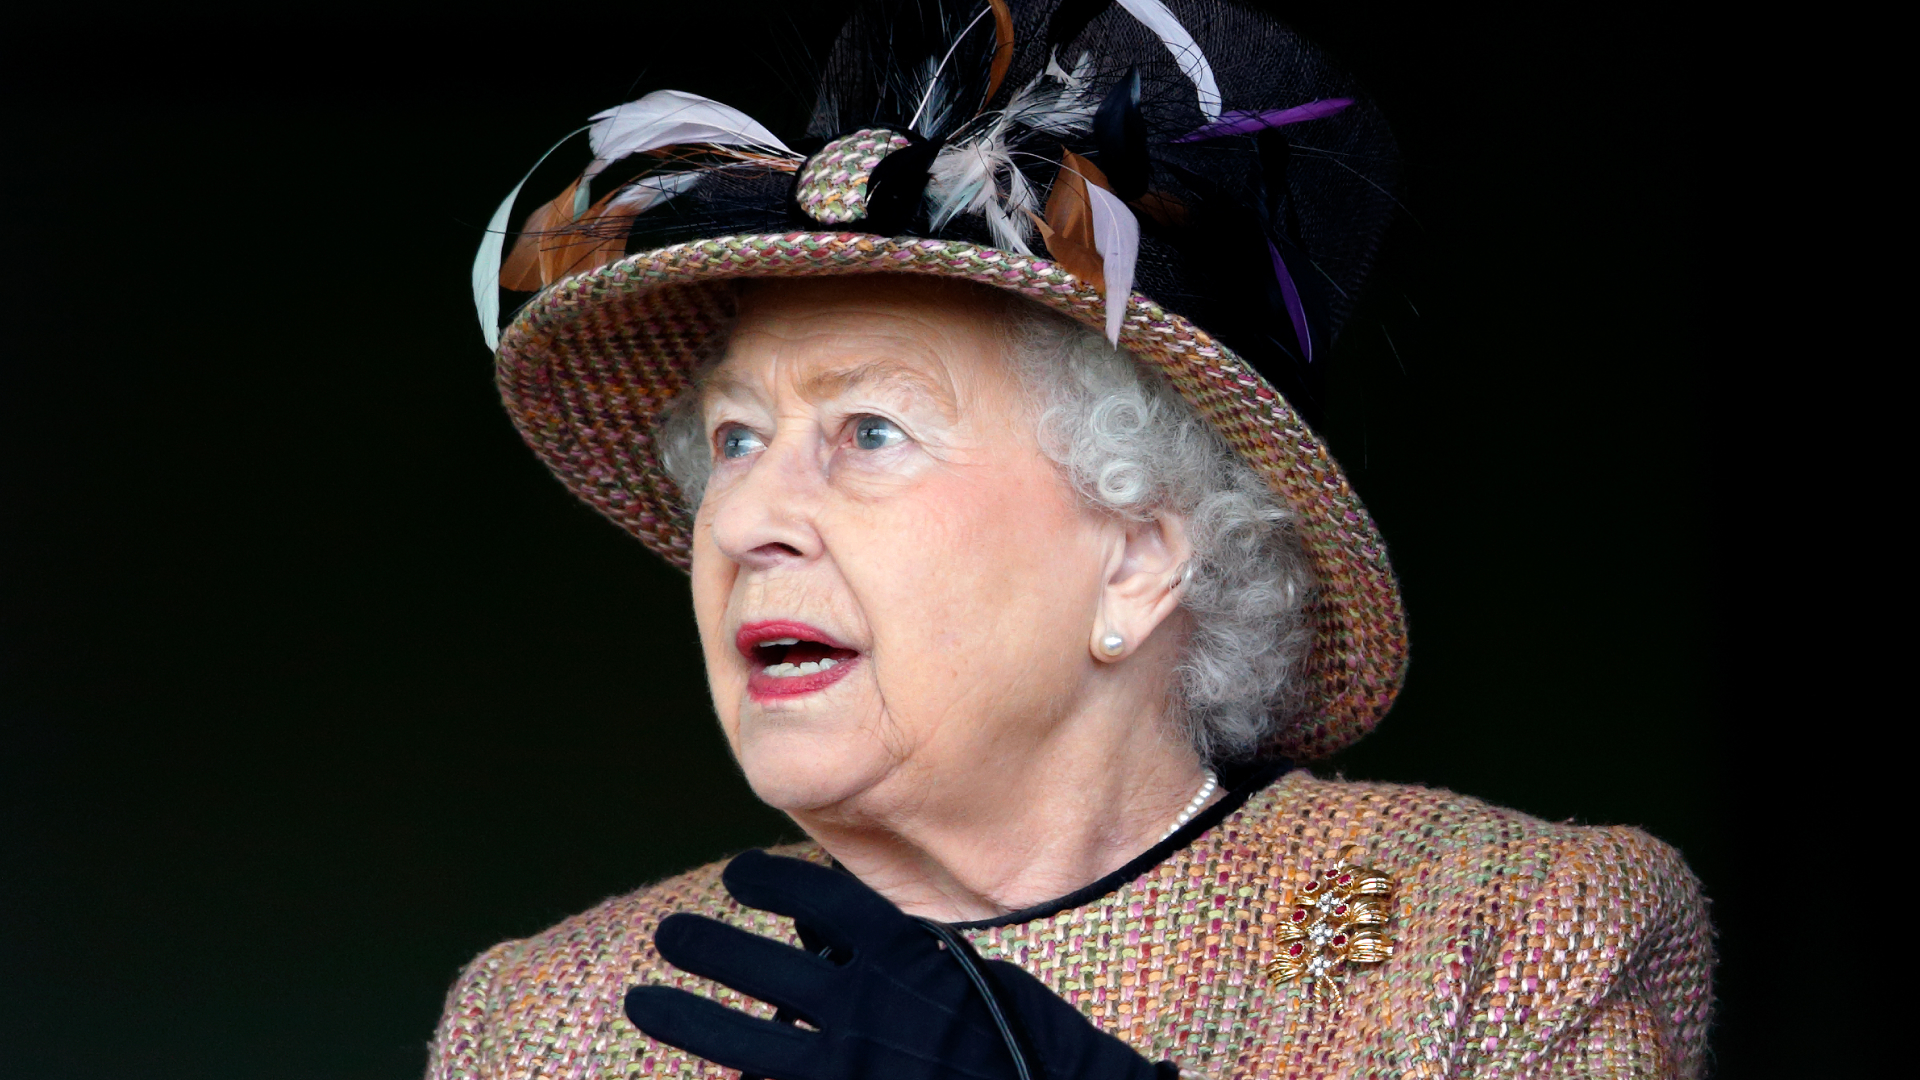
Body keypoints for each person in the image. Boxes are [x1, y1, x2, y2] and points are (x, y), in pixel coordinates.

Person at [430, 2, 1713, 1077]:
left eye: (871, 432)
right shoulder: (551, 1026)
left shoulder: (1499, 934)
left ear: (1142, 555)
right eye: (735, 442)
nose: (748, 520)